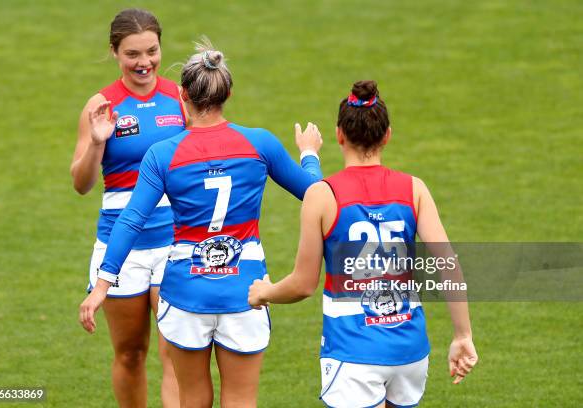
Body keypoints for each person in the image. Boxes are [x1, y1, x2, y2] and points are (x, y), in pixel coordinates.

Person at [79, 39, 323, 408]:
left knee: (191, 399)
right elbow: (317, 194)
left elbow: (130, 219)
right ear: (228, 93)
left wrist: (102, 285)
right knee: (241, 400)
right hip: (245, 290)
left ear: (183, 97)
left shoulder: (162, 154)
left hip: (185, 292)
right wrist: (309, 155)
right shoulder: (260, 144)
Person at [248, 80, 478, 407]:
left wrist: (264, 293)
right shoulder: (414, 189)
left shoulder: (322, 196)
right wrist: (462, 336)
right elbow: (447, 266)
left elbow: (303, 284)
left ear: (339, 135)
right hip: (409, 353)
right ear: (387, 135)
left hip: (353, 353)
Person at [71, 8, 185, 408]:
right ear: (115, 53)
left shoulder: (180, 98)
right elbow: (81, 183)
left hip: (174, 243)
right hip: (120, 246)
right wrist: (98, 141)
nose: (144, 63)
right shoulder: (101, 104)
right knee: (130, 353)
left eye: (151, 51)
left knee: (175, 354)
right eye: (132, 54)